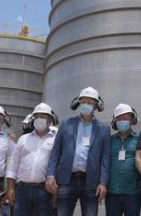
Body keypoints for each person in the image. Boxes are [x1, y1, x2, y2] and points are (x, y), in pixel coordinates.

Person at [45, 87, 111, 216]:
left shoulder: (103, 129)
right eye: (83, 102)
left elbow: (105, 158)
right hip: (67, 179)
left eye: (90, 103)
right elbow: (55, 152)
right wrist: (50, 175)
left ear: (97, 106)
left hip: (91, 181)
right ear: (78, 103)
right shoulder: (66, 124)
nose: (86, 105)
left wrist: (103, 183)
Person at [7, 103, 60, 216]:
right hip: (22, 189)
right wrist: (10, 188)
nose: (40, 119)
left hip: (44, 191)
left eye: (44, 117)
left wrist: (57, 190)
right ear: (33, 119)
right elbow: (13, 165)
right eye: (37, 116)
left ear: (50, 120)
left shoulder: (56, 139)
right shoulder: (23, 139)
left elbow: (59, 165)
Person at [106, 103, 141, 216]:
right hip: (112, 192)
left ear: (132, 120)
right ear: (115, 122)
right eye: (119, 119)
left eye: (126, 118)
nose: (123, 121)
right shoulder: (109, 140)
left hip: (133, 192)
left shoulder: (139, 138)